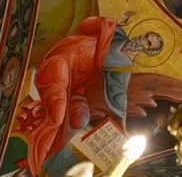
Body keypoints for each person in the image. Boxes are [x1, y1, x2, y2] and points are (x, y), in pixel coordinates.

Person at [15, 14, 163, 174]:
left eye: (148, 43)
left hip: (75, 83)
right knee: (57, 116)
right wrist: (114, 23)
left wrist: (124, 127)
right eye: (146, 36)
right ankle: (33, 161)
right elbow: (85, 26)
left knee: (81, 118)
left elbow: (118, 95)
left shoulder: (124, 67)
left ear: (148, 52)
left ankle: (47, 157)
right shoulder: (116, 33)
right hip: (63, 62)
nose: (142, 40)